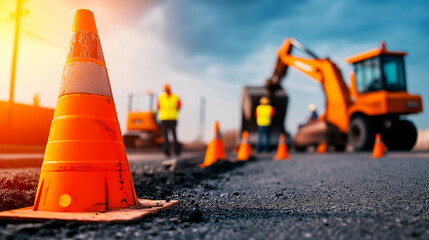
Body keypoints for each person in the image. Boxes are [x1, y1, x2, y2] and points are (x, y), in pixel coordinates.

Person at [157, 84, 181, 157]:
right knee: (165, 136)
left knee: (174, 135)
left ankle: (176, 151)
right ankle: (167, 152)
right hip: (164, 119)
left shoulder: (175, 97)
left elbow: (179, 105)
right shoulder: (161, 97)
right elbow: (158, 106)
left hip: (172, 119)